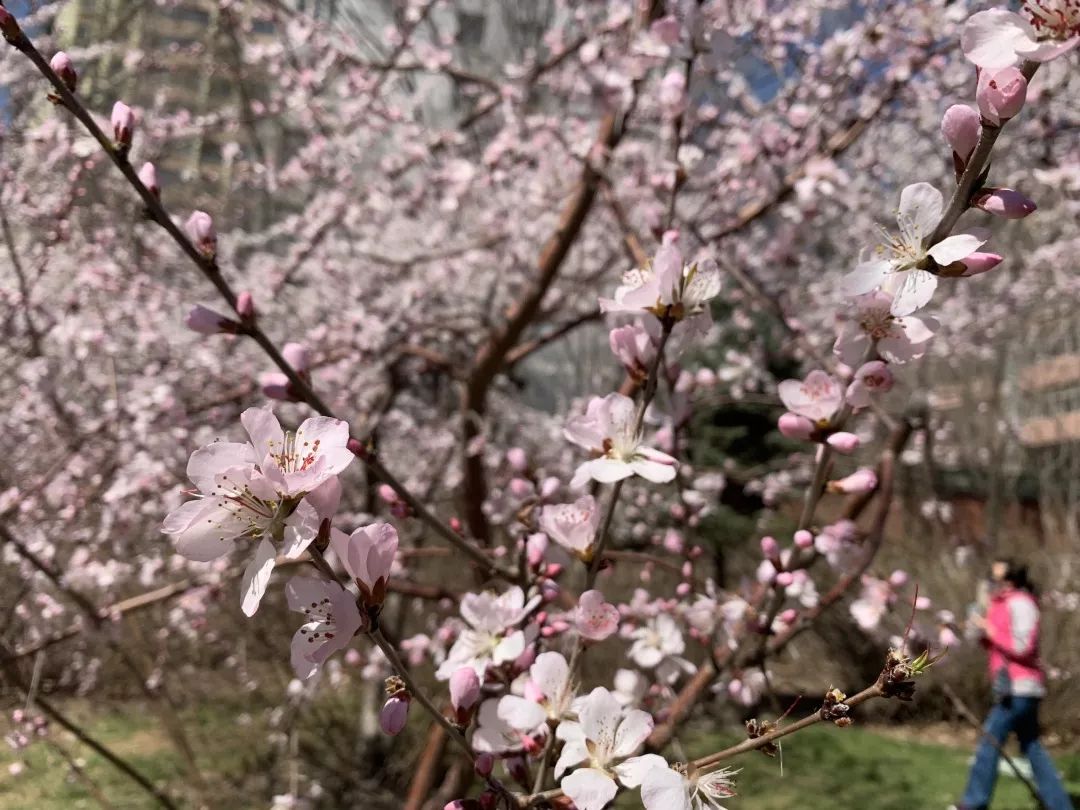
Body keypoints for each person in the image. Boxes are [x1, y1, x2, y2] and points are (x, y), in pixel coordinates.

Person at [956, 559, 1074, 810]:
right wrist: (977, 629)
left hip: (1021, 687)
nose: (991, 581)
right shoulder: (999, 604)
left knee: (990, 740)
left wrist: (989, 630)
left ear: (1011, 579)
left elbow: (1022, 646)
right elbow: (995, 644)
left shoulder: (1021, 602)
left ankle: (974, 802)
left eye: (997, 576)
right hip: (1010, 685)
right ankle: (1059, 804)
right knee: (1032, 747)